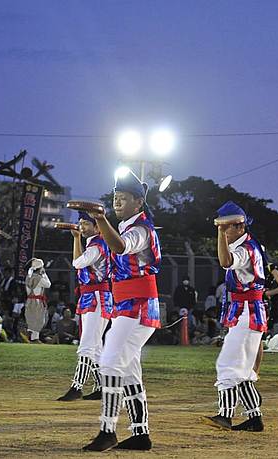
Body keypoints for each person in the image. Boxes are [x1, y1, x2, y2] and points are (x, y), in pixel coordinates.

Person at [82, 169, 161, 452]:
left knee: (109, 361)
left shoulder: (140, 230)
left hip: (136, 306)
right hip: (132, 305)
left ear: (138, 203)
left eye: (123, 198)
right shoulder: (133, 226)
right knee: (128, 369)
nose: (117, 202)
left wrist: (101, 219)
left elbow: (119, 247)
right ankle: (140, 433)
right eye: (115, 197)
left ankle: (108, 430)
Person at [202, 201, 267, 433]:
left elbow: (226, 261)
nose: (224, 232)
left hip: (246, 312)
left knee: (228, 364)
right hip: (250, 312)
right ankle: (254, 417)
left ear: (240, 227)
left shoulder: (244, 249)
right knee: (242, 369)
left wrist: (219, 233)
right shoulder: (249, 245)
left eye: (227, 227)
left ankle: (225, 415)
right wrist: (222, 232)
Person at [57, 211, 112, 402]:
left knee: (87, 345)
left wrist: (76, 239)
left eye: (86, 224)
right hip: (93, 295)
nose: (81, 226)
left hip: (96, 296)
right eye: (80, 223)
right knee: (95, 346)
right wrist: (78, 238)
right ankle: (100, 386)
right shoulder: (95, 243)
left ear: (97, 227)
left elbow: (78, 263)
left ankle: (77, 386)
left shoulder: (97, 245)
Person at [254, 262, 278, 375]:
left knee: (258, 336)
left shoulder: (269, 267)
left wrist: (267, 293)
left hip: (260, 303)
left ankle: (255, 371)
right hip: (246, 301)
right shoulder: (246, 263)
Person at [24, 258, 51, 343]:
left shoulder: (29, 277)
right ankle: (34, 338)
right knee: (39, 320)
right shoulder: (38, 278)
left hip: (29, 301)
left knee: (32, 319)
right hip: (37, 301)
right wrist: (44, 274)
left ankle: (32, 337)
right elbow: (48, 284)